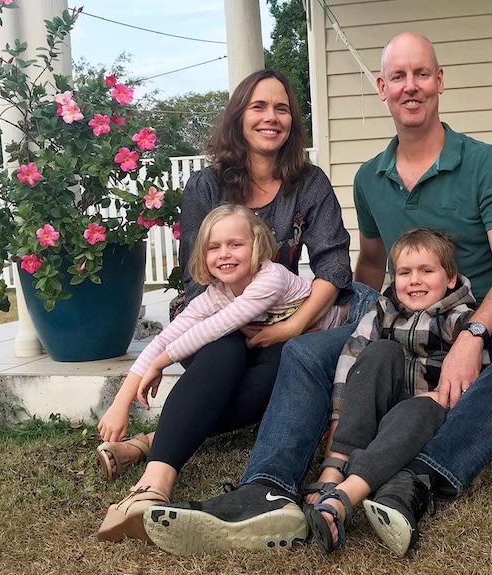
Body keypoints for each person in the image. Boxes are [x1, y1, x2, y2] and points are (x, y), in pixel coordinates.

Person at [142, 33, 492, 556]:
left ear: (439, 81)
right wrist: (353, 337)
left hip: (477, 320)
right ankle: (268, 488)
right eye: (398, 77)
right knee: (302, 350)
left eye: (421, 74)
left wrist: (473, 336)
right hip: (396, 324)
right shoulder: (372, 177)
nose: (410, 87)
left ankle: (420, 476)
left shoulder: (484, 163)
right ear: (382, 88)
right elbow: (368, 267)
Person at [95, 69, 379, 543]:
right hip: (219, 314)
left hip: (280, 321)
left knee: (287, 367)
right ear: (238, 117)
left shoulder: (307, 183)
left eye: (282, 108)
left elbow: (333, 269)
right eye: (259, 107)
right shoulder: (207, 186)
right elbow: (197, 284)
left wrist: (295, 328)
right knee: (224, 349)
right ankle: (152, 485)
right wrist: (142, 375)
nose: (272, 117)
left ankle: (149, 443)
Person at [304, 228, 476, 555]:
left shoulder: (461, 318)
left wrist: (444, 398)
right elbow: (351, 360)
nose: (415, 281)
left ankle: (343, 499)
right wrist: (338, 418)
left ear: (450, 278)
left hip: (423, 421)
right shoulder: (384, 310)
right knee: (380, 352)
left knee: (423, 407)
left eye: (427, 271)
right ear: (393, 277)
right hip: (377, 417)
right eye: (405, 273)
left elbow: (473, 378)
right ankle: (335, 463)